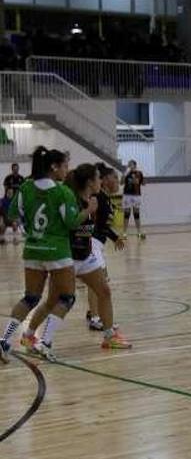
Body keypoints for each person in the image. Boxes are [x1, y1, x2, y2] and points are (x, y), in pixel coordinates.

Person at [22, 163, 131, 353]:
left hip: (86, 256)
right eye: (98, 178)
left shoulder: (94, 200)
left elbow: (92, 229)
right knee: (53, 301)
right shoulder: (71, 200)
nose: (101, 181)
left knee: (104, 291)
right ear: (90, 182)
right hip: (67, 258)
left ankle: (109, 337)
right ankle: (29, 335)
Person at [0, 147, 96, 363]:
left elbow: (12, 214)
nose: (66, 170)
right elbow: (72, 223)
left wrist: (28, 221)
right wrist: (88, 210)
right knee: (67, 298)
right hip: (57, 252)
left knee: (30, 297)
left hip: (33, 250)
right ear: (54, 167)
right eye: (64, 166)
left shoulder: (25, 188)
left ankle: (4, 340)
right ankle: (46, 342)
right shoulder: (62, 192)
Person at [85, 164, 125, 331]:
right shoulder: (98, 197)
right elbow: (96, 224)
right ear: (106, 179)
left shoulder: (106, 198)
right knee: (99, 284)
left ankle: (94, 314)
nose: (117, 181)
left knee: (98, 284)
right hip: (93, 243)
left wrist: (115, 238)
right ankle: (96, 318)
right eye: (115, 177)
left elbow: (103, 225)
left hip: (98, 245)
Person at [122, 160, 146, 240]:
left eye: (131, 164)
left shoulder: (139, 173)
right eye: (129, 164)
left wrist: (138, 180)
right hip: (127, 195)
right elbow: (121, 182)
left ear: (135, 165)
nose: (129, 165)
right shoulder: (126, 173)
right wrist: (125, 174)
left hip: (136, 195)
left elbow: (143, 183)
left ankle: (139, 232)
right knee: (127, 214)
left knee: (136, 214)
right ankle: (124, 233)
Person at [3, 162, 25, 243]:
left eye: (17, 168)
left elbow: (24, 190)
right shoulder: (8, 178)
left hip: (19, 200)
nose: (16, 170)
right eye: (14, 169)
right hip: (9, 199)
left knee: (16, 220)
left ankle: (17, 238)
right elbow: (5, 188)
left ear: (18, 169)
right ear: (12, 169)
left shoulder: (21, 178)